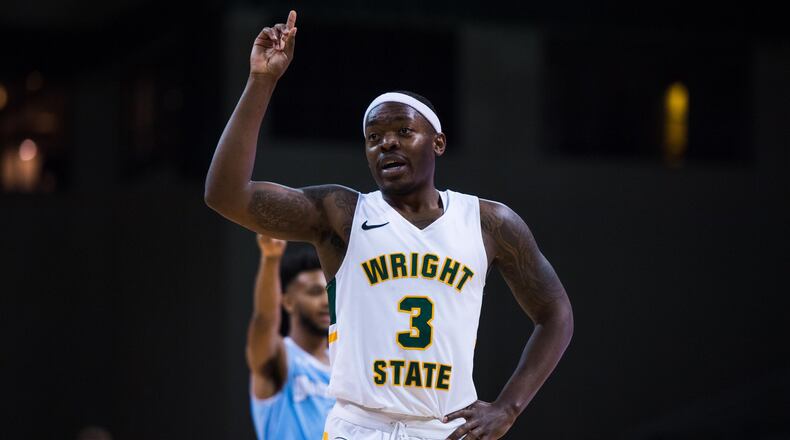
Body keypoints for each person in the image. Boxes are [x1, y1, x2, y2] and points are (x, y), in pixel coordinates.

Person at [205, 10, 574, 439]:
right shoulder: (341, 214)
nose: (387, 143)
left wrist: (508, 407)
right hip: (358, 426)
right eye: (374, 137)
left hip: (443, 429)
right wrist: (261, 80)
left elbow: (556, 313)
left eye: (403, 131)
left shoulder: (488, 222)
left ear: (438, 142)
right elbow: (225, 194)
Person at [247, 234, 334, 440]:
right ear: (287, 302)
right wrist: (271, 258)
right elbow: (264, 320)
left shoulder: (344, 363)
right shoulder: (281, 358)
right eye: (315, 292)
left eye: (328, 292)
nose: (326, 301)